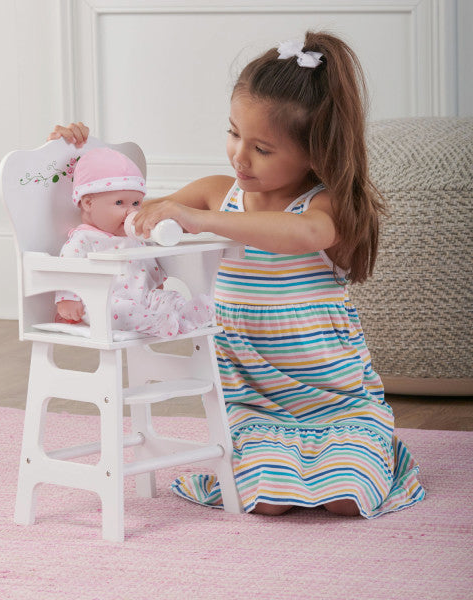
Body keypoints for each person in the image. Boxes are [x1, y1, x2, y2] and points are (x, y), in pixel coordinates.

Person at [49, 31, 425, 517]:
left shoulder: (325, 205)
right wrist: (74, 158)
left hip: (337, 402)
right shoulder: (215, 190)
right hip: (253, 402)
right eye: (233, 133)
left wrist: (203, 220)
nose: (239, 156)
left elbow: (302, 233)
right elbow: (123, 217)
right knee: (267, 503)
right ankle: (267, 456)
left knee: (347, 500)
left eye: (262, 148)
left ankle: (369, 454)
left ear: (316, 151)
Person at [55, 146, 214, 337]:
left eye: (136, 203)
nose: (131, 211)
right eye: (120, 203)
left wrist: (156, 284)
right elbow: (66, 268)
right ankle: (157, 324)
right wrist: (68, 298)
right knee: (116, 311)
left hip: (143, 298)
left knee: (169, 297)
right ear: (88, 203)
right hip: (104, 301)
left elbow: (146, 261)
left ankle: (184, 317)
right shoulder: (84, 238)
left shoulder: (133, 236)